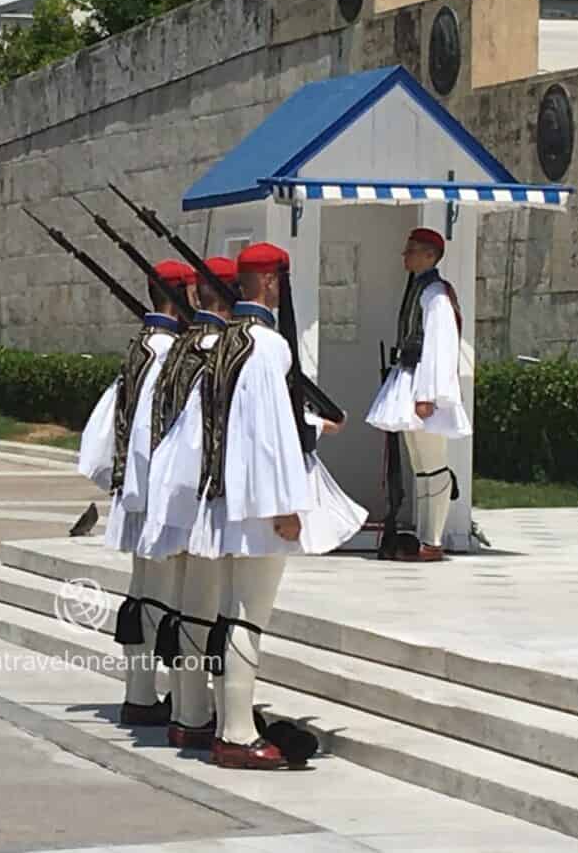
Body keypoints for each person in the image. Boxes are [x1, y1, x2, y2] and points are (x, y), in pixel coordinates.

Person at [190, 242, 363, 769]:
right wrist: (286, 505)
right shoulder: (265, 346)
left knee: (227, 614)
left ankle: (226, 720)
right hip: (259, 506)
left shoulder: (220, 342)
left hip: (223, 499)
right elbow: (270, 431)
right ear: (269, 283)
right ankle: (238, 734)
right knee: (248, 618)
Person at [77, 259, 196, 726]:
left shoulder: (141, 345)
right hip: (154, 494)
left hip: (138, 491)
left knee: (145, 594)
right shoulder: (168, 351)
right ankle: (164, 700)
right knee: (164, 599)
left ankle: (140, 693)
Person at [136, 256, 236, 749]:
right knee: (202, 609)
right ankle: (194, 712)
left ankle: (182, 706)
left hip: (168, 496)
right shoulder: (212, 351)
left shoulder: (177, 349)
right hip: (200, 500)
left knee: (176, 604)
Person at [366, 228, 469, 562]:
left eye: (411, 250)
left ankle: (433, 539)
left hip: (424, 386)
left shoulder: (435, 294)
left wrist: (428, 395)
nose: (404, 256)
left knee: (433, 464)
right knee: (420, 466)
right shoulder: (420, 288)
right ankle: (425, 538)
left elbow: (439, 348)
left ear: (429, 256)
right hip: (409, 379)